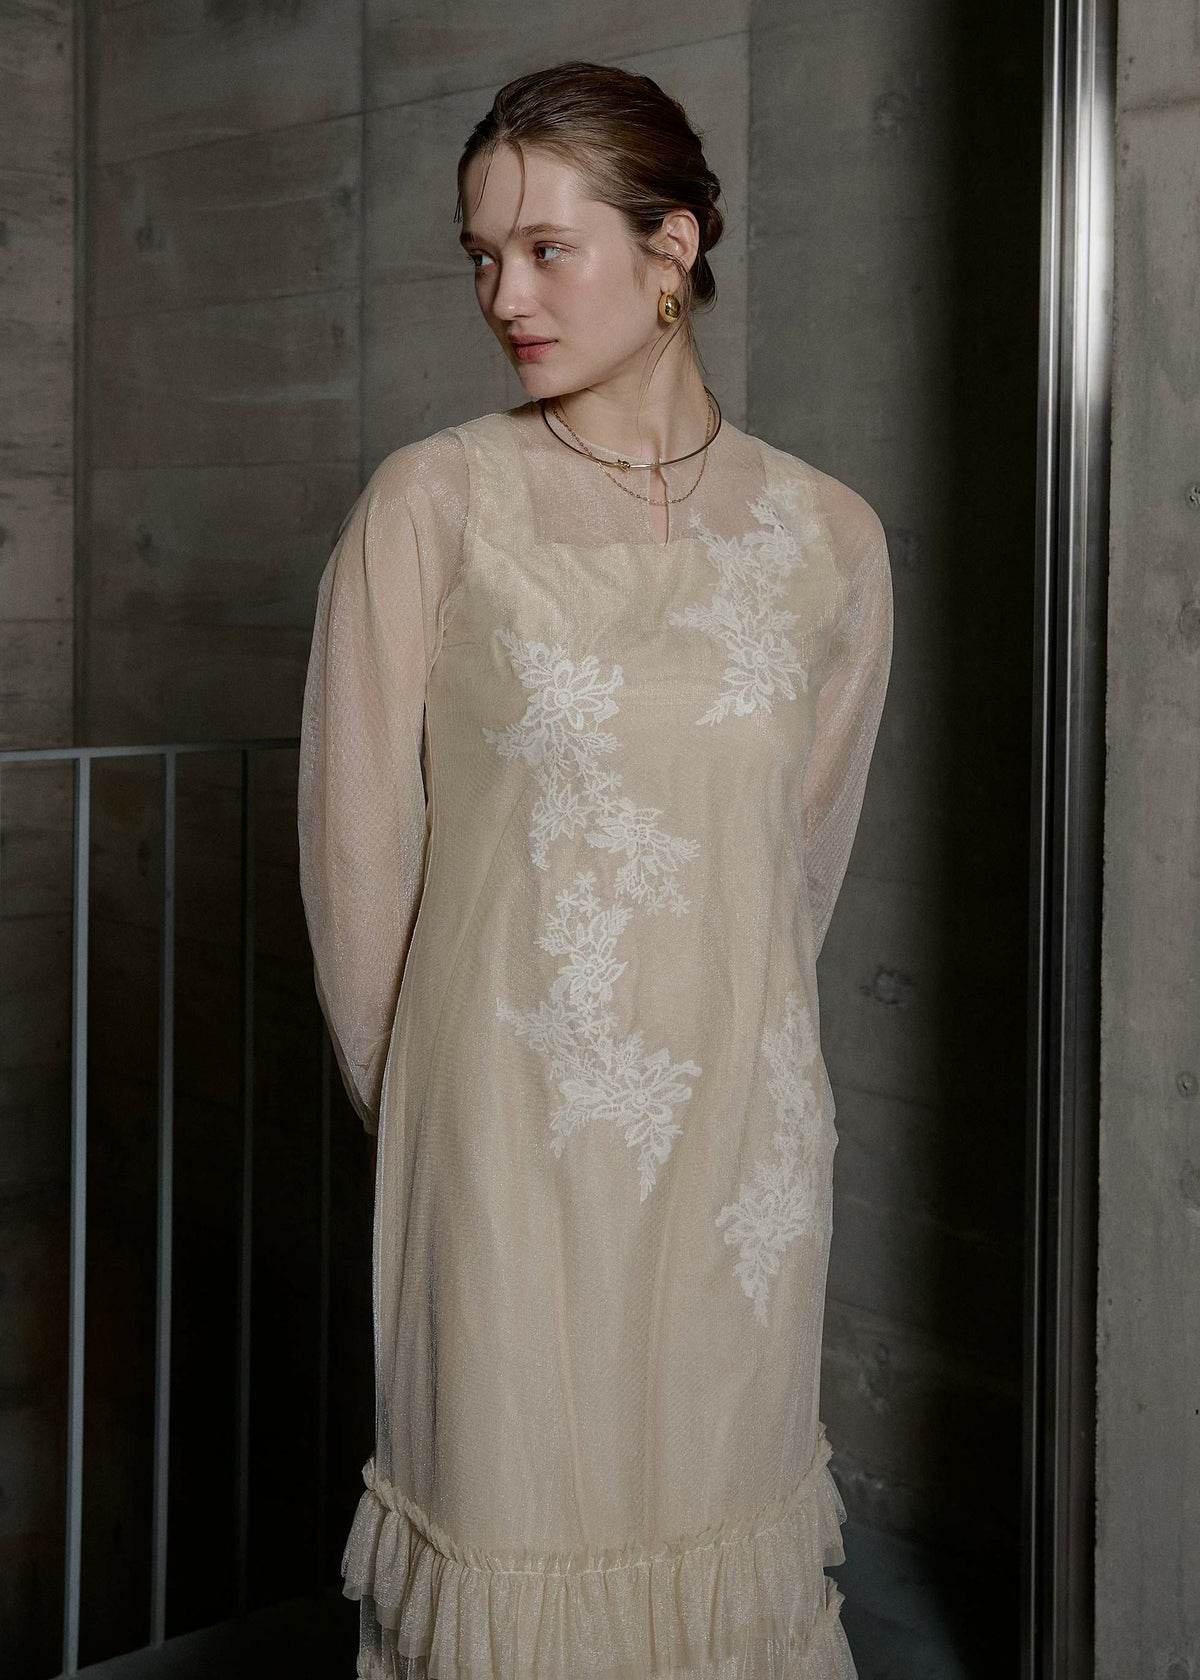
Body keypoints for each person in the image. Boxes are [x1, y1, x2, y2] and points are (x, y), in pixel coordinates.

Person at [298, 58, 892, 1680]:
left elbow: (799, 865)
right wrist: (450, 1126)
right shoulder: (437, 505)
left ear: (672, 246)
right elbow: (358, 864)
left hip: (741, 1155)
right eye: (481, 255)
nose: (505, 295)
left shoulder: (830, 539)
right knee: (516, 1567)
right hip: (502, 1149)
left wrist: (737, 1063)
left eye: (547, 249)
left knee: (721, 1550)